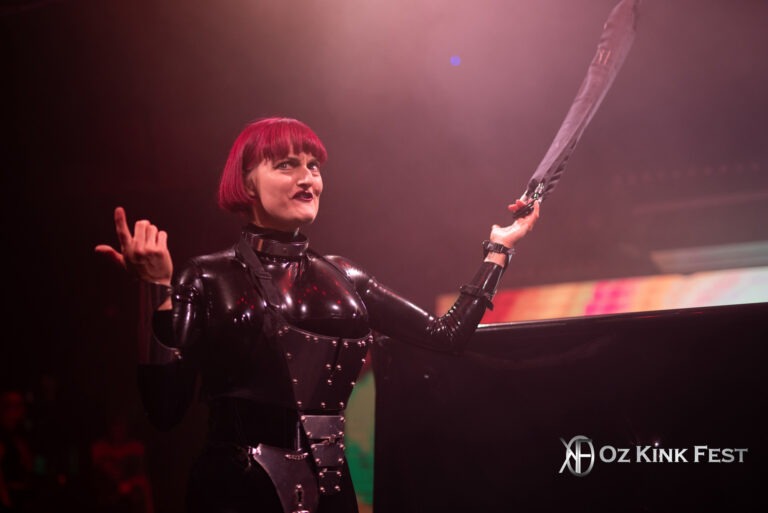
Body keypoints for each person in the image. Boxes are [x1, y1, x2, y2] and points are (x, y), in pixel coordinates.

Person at [95, 117, 540, 513]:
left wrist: (499, 248)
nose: (307, 177)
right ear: (247, 184)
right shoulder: (207, 275)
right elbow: (164, 410)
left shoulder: (345, 276)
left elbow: (446, 335)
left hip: (332, 494)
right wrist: (155, 288)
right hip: (236, 494)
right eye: (286, 165)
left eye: (313, 166)